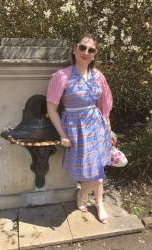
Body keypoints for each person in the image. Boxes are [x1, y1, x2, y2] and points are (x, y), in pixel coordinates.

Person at [46, 34, 116, 224]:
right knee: (90, 170)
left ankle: (97, 203)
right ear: (74, 49)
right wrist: (62, 134)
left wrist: (109, 131)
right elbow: (51, 110)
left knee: (98, 169)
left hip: (97, 126)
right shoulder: (62, 76)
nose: (86, 52)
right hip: (76, 129)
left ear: (95, 54)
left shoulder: (98, 76)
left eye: (91, 50)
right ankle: (84, 197)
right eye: (82, 47)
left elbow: (104, 108)